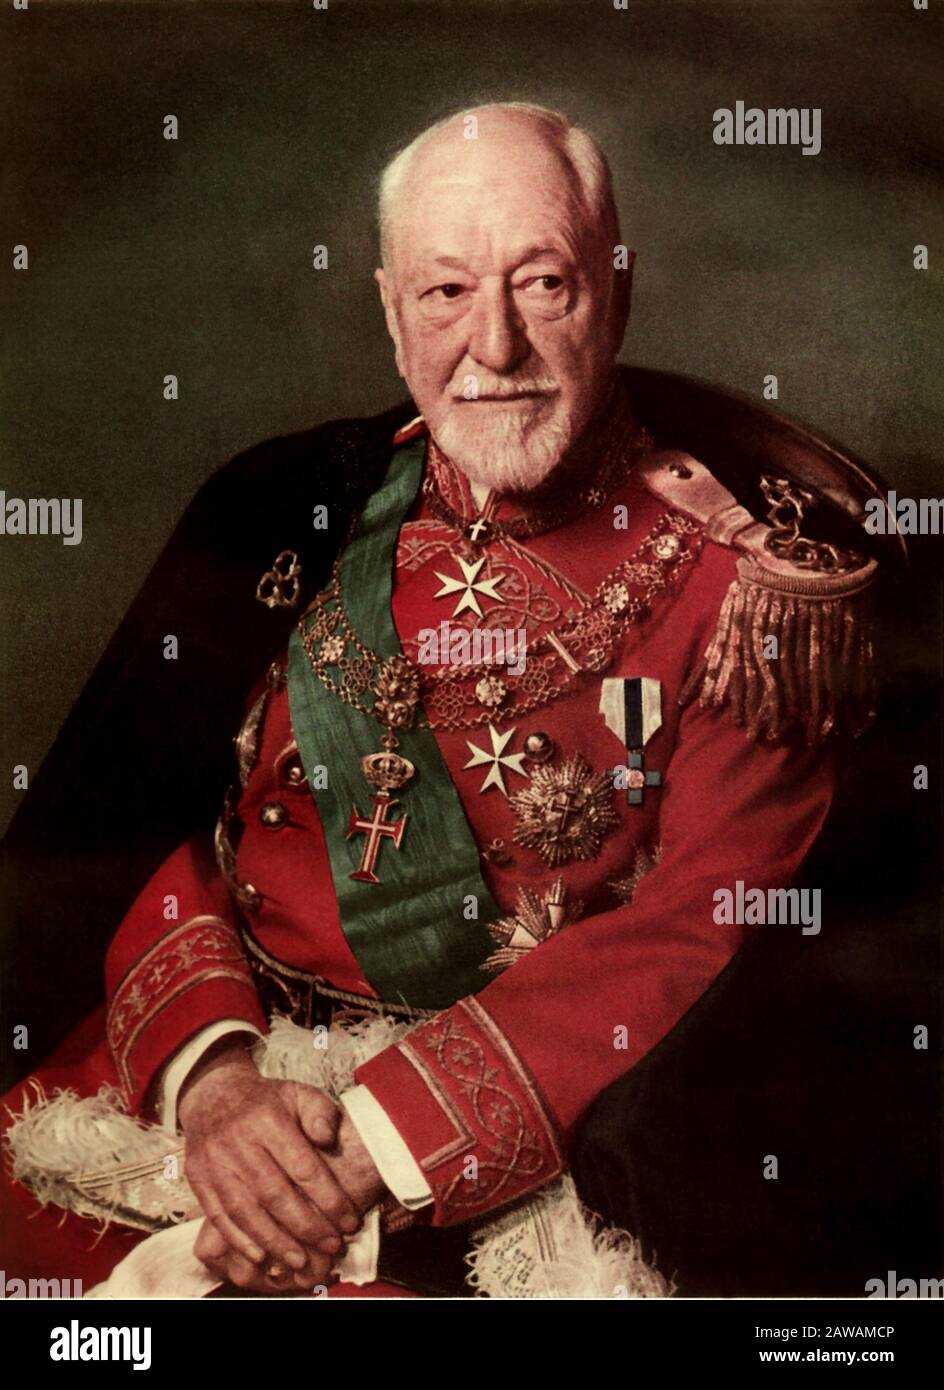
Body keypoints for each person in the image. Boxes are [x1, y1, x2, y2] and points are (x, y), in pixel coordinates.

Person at [0, 103, 881, 1298]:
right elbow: (185, 827)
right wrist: (215, 1086)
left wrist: (364, 1148)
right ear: (387, 310)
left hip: (482, 1144)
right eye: (445, 294)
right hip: (211, 1075)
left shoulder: (752, 598)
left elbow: (699, 927)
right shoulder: (300, 508)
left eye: (543, 285)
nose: (495, 347)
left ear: (613, 290)